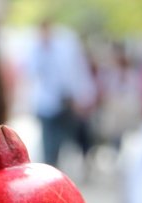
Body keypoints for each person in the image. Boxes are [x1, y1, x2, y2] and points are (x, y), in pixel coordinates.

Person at [24, 19, 97, 167]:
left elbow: (73, 74)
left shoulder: (64, 46)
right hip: (47, 105)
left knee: (66, 139)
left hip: (64, 103)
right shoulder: (37, 50)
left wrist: (81, 97)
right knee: (50, 145)